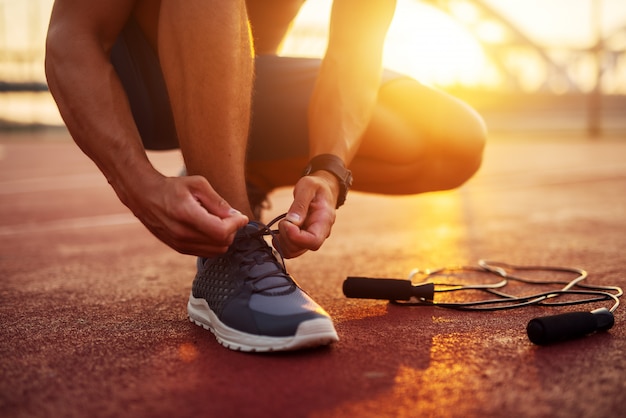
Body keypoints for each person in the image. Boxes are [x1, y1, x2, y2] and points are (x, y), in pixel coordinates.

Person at [45, 0, 486, 352]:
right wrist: (139, 184)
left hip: (245, 79)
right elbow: (72, 35)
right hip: (142, 83)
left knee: (450, 139)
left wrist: (329, 170)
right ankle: (232, 249)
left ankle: (242, 174)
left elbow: (356, 49)